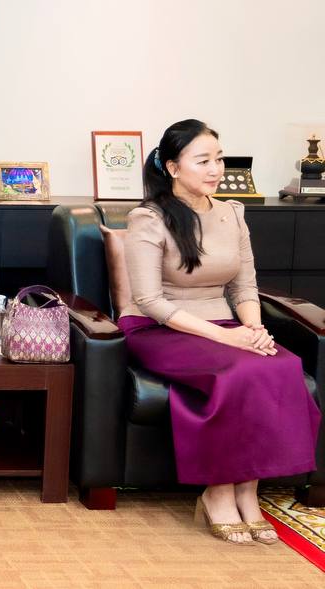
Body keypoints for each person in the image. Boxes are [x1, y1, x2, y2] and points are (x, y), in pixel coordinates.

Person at [120, 119, 321, 545]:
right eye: (202, 161)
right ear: (173, 167)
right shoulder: (148, 219)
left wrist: (254, 329)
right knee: (239, 370)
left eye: (219, 158)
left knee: (282, 364)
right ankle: (218, 490)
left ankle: (248, 490)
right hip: (159, 329)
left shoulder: (232, 213)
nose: (215, 169)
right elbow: (150, 301)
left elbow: (244, 287)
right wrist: (227, 338)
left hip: (224, 324)